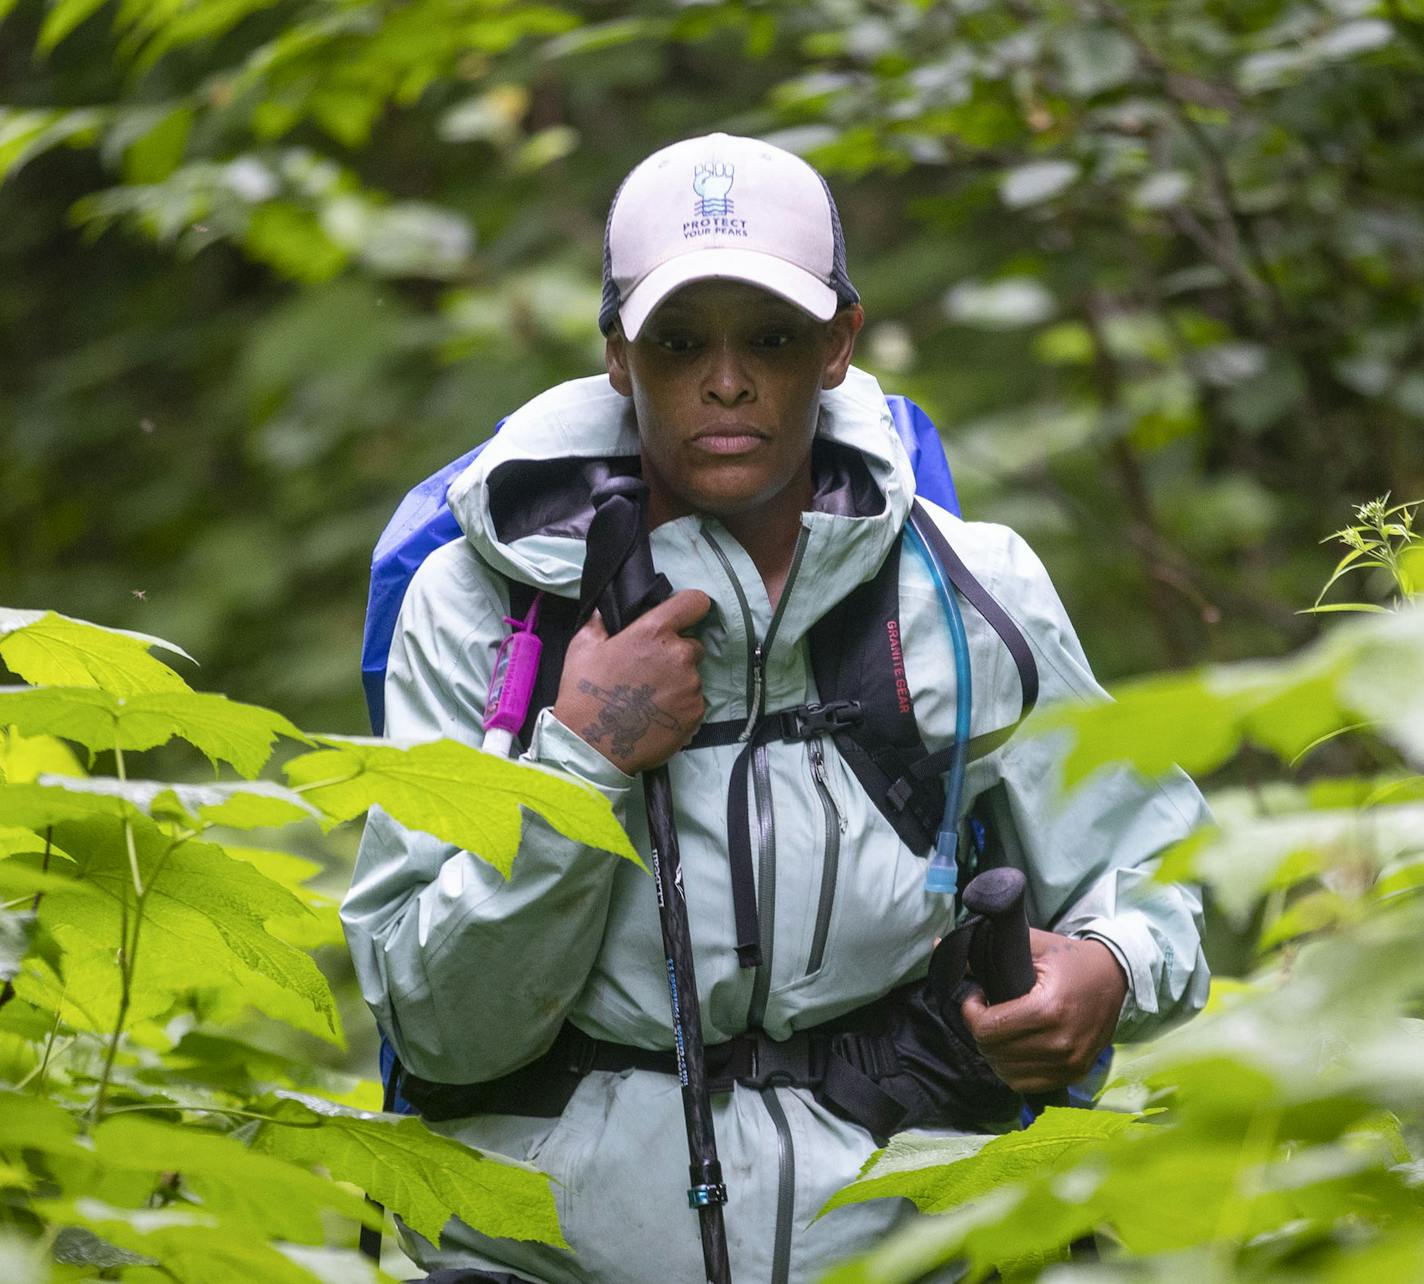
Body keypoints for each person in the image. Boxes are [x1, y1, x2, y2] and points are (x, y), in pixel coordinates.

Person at [341, 132, 1209, 1284]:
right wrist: (582, 757)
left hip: (909, 1247)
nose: (728, 379)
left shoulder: (966, 587)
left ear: (839, 344)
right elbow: (441, 1024)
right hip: (541, 1260)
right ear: (617, 355)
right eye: (679, 340)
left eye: (770, 336)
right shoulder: (481, 604)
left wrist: (1106, 965)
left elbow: (1145, 874)